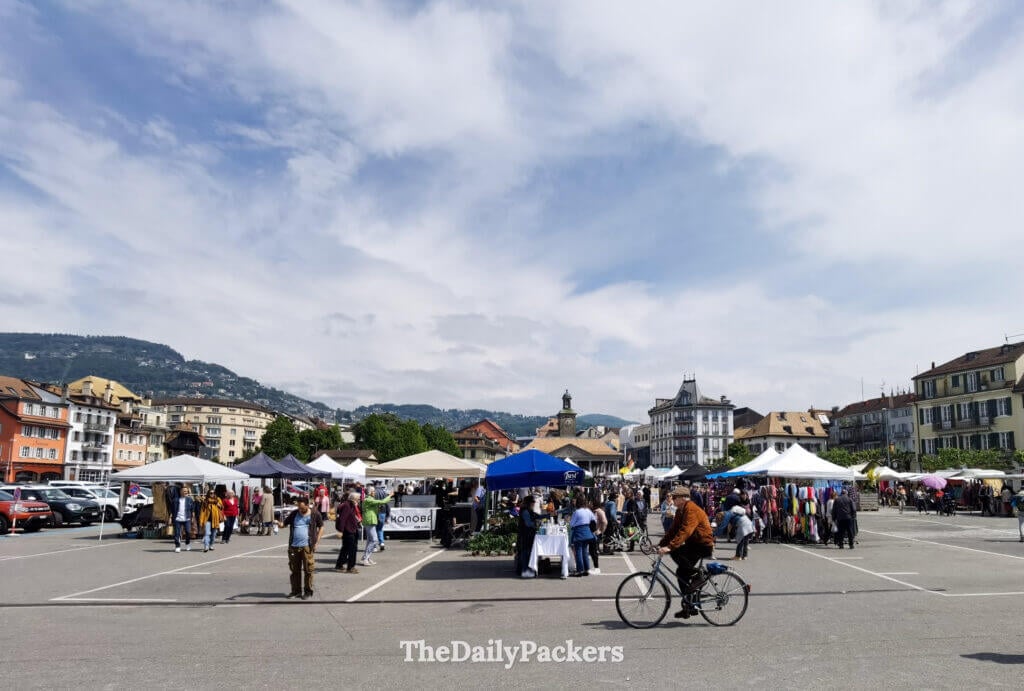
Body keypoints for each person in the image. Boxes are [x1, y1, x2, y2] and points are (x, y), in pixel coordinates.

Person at [658, 487, 715, 619]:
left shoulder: (691, 510)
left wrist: (670, 546)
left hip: (703, 544)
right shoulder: (680, 510)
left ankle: (699, 575)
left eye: (675, 497)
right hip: (693, 544)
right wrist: (660, 544)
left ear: (683, 498)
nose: (673, 499)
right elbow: (673, 530)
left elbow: (685, 531)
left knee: (675, 552)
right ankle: (689, 605)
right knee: (681, 573)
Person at [284, 495, 322, 599]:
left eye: (302, 508)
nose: (300, 509)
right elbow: (284, 524)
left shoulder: (314, 514)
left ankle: (308, 591)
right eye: (298, 507)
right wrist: (277, 523)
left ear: (307, 505)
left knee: (308, 570)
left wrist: (316, 543)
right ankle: (296, 591)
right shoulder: (294, 514)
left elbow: (321, 527)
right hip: (294, 546)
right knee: (294, 570)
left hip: (307, 546)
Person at [360, 490, 393, 566]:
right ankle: (365, 558)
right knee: (374, 540)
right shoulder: (368, 499)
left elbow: (379, 504)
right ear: (370, 492)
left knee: (369, 540)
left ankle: (366, 557)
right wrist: (390, 496)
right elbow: (382, 502)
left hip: (371, 521)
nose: (375, 493)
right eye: (373, 491)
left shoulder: (370, 499)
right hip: (369, 521)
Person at [569, 496, 597, 577]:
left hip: (579, 533)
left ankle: (580, 570)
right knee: (585, 551)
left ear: (577, 503)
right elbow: (594, 520)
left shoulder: (576, 512)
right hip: (587, 532)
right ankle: (586, 569)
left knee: (578, 552)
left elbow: (571, 524)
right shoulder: (588, 511)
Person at [334, 492, 361, 573]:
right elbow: (342, 519)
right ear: (354, 499)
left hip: (352, 529)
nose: (359, 500)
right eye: (358, 499)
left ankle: (339, 565)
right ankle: (350, 567)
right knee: (352, 549)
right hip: (348, 530)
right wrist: (341, 531)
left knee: (345, 548)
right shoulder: (347, 505)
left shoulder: (352, 505)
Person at [516, 495, 541, 577]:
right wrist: (535, 524)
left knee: (527, 552)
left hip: (527, 534)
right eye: (533, 502)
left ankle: (526, 570)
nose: (534, 503)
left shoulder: (528, 510)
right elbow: (528, 523)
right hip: (525, 535)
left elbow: (537, 516)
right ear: (529, 503)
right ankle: (524, 570)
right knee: (525, 552)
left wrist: (548, 515)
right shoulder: (525, 511)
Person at [171, 486, 194, 553]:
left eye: (186, 491)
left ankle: (187, 543)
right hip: (177, 519)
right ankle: (177, 546)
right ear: (180, 492)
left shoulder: (189, 499)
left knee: (188, 532)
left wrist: (192, 517)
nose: (185, 492)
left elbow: (192, 509)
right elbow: (172, 510)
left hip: (187, 518)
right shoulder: (175, 500)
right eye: (184, 491)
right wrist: (170, 517)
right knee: (177, 533)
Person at [589, 498, 607, 575]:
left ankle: (597, 568)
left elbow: (604, 522)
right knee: (591, 551)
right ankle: (595, 567)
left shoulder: (599, 511)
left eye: (591, 503)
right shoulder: (593, 511)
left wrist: (600, 531)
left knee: (594, 551)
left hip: (596, 534)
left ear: (594, 504)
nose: (590, 504)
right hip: (591, 534)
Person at [374, 483, 390, 551]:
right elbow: (387, 504)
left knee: (374, 530)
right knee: (380, 529)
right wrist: (387, 515)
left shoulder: (373, 492)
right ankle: (382, 543)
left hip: (374, 512)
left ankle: (374, 546)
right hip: (383, 512)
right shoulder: (384, 493)